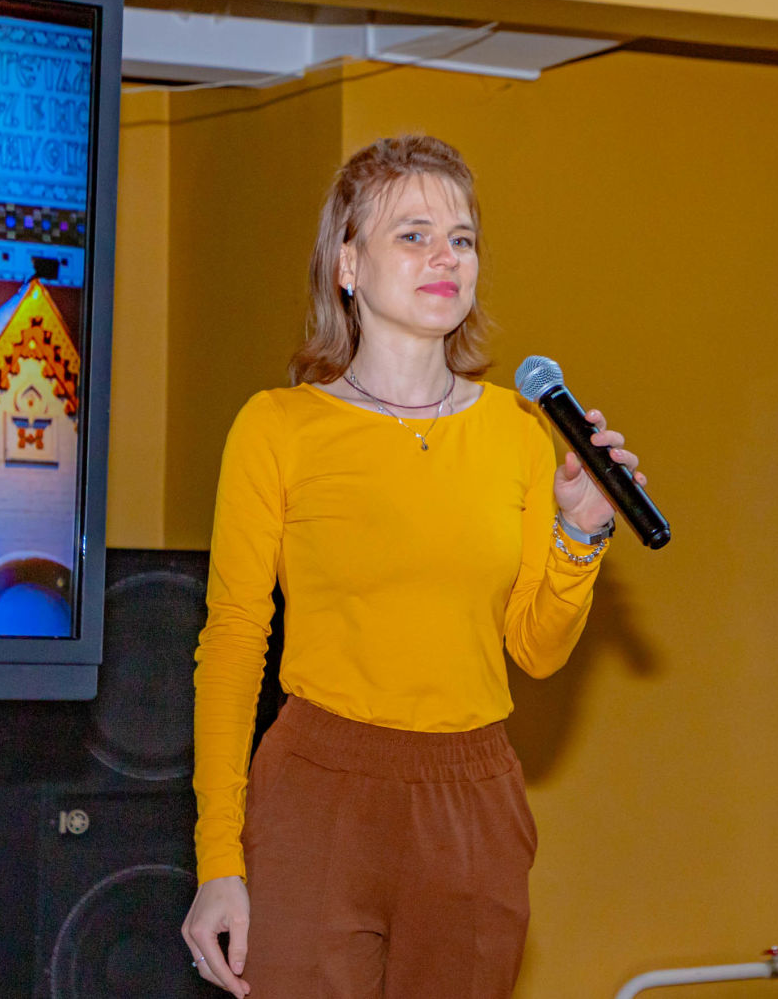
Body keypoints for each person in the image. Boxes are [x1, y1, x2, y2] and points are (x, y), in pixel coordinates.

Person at [181, 135, 647, 998]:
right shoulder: (277, 427)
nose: (446, 257)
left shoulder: (519, 431)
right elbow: (235, 642)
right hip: (316, 789)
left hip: (472, 798)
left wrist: (580, 533)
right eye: (414, 234)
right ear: (347, 264)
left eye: (462, 239)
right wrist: (218, 859)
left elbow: (537, 649)